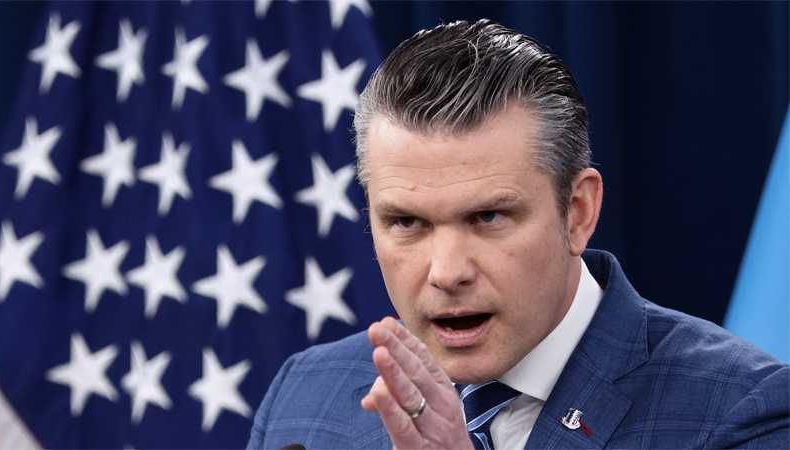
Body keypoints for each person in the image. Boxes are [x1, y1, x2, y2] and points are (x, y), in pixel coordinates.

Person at [247, 19, 789, 450]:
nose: (447, 273)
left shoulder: (741, 411)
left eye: (488, 218)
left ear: (577, 212)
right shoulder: (304, 398)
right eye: (407, 222)